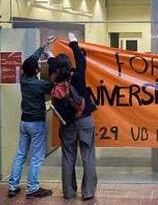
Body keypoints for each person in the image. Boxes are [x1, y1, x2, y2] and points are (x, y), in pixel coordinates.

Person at [8, 37, 55, 199]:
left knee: (21, 154)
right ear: (36, 70)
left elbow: (31, 60)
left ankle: (13, 186)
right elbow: (55, 86)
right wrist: (52, 61)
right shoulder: (40, 84)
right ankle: (33, 188)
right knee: (36, 156)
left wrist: (43, 46)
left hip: (24, 122)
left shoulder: (23, 79)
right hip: (36, 124)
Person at [52, 33, 97, 200]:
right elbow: (82, 61)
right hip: (85, 120)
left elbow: (53, 67)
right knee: (88, 156)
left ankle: (69, 192)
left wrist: (50, 57)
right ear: (69, 65)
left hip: (68, 124)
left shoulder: (55, 81)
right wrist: (74, 43)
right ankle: (88, 192)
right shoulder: (77, 77)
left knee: (68, 156)